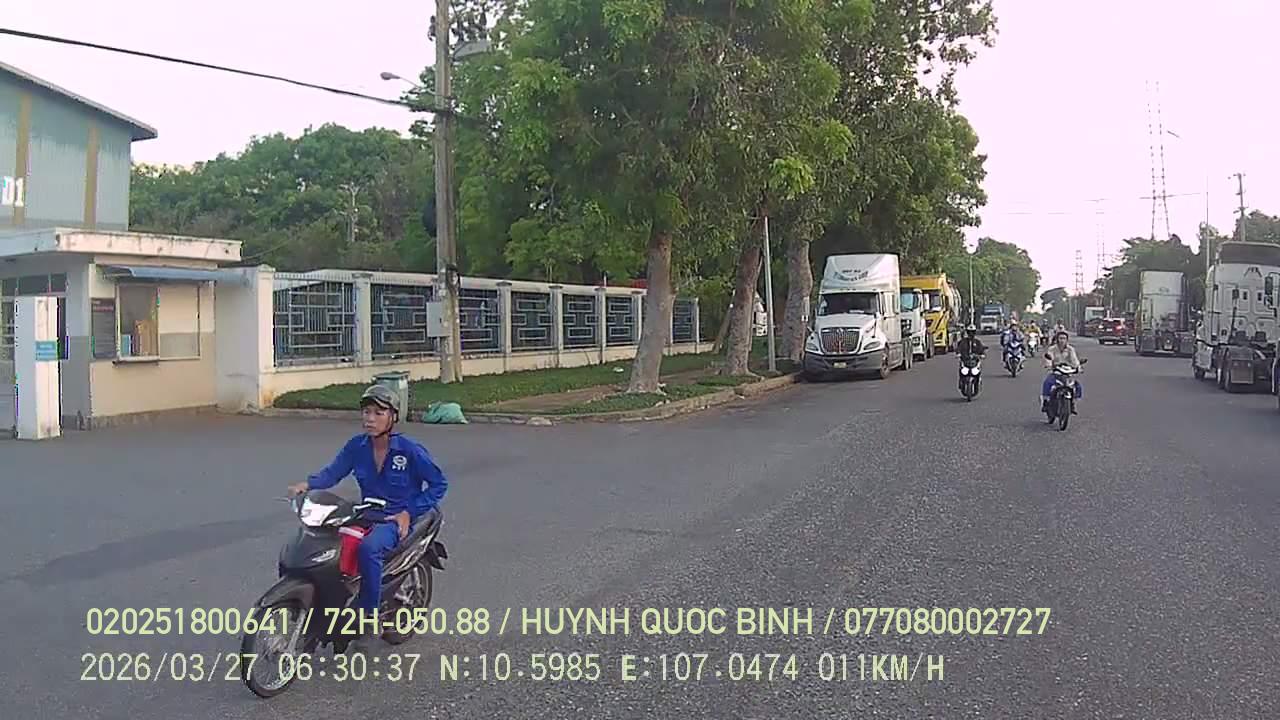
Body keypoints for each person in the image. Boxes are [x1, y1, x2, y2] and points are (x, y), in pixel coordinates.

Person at [287, 384, 448, 653]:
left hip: (395, 519)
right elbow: (333, 473)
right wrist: (308, 484)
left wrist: (408, 512)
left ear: (393, 417)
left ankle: (369, 617)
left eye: (378, 413)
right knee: (328, 542)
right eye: (366, 412)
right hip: (366, 512)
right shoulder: (357, 446)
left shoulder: (409, 450)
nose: (370, 419)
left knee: (369, 548)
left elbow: (438, 484)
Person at [1041, 331, 1083, 413]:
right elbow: (1049, 359)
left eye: (1064, 338)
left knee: (1077, 386)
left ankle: (1073, 403)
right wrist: (1049, 365)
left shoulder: (1070, 349)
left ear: (1067, 340)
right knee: (1047, 383)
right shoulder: (1052, 349)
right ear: (1057, 339)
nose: (1062, 340)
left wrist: (1078, 367)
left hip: (1067, 372)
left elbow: (1074, 360)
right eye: (1060, 338)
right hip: (1056, 371)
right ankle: (1046, 402)